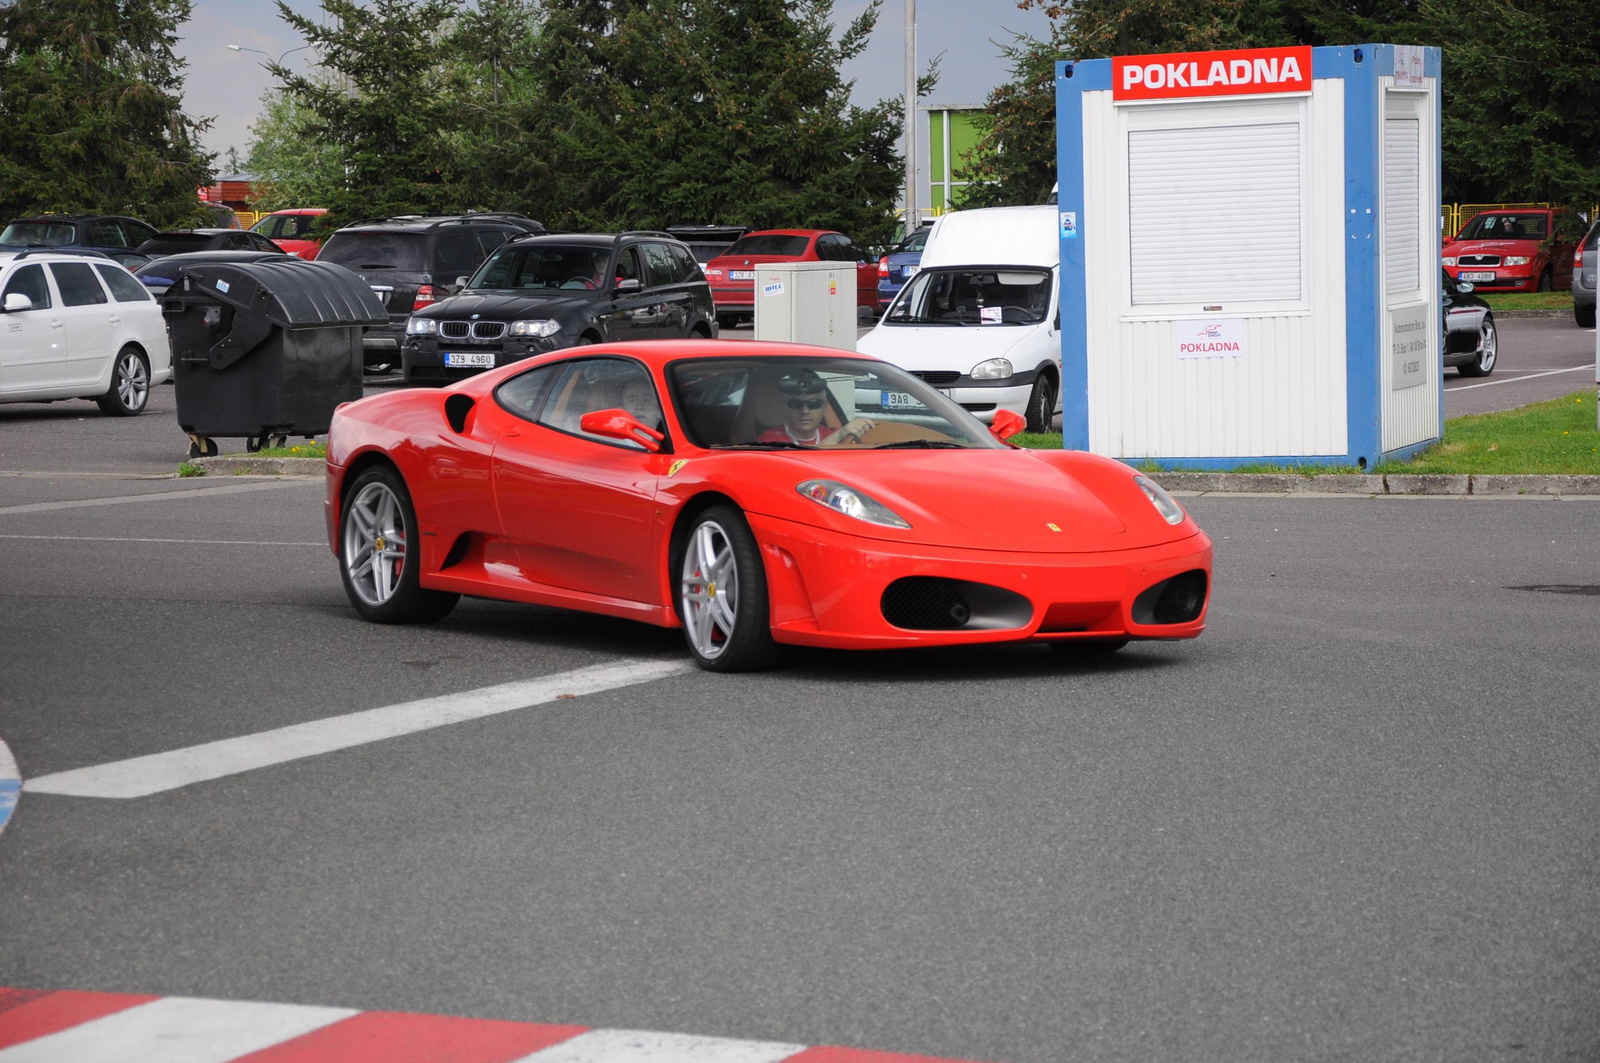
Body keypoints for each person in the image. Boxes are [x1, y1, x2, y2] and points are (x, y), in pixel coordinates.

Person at [757, 369, 874, 446]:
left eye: (813, 404)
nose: (805, 411)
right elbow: (801, 464)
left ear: (824, 408)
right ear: (784, 408)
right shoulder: (770, 440)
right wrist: (838, 435)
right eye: (796, 404)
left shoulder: (836, 434)